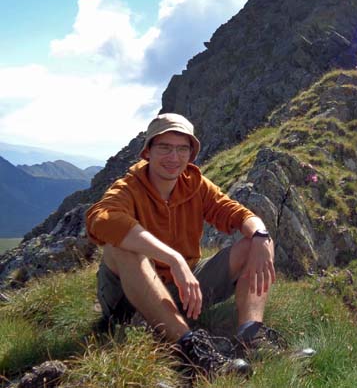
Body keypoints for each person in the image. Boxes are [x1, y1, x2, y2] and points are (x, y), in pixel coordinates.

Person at [85, 113, 279, 377]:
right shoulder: (128, 188)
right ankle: (191, 349)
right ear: (147, 151)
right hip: (129, 299)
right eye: (164, 147)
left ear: (191, 154)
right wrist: (174, 259)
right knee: (122, 247)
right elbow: (101, 220)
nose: (173, 157)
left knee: (251, 245)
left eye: (182, 149)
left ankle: (252, 336)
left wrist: (261, 237)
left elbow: (236, 213)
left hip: (182, 293)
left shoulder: (195, 185)